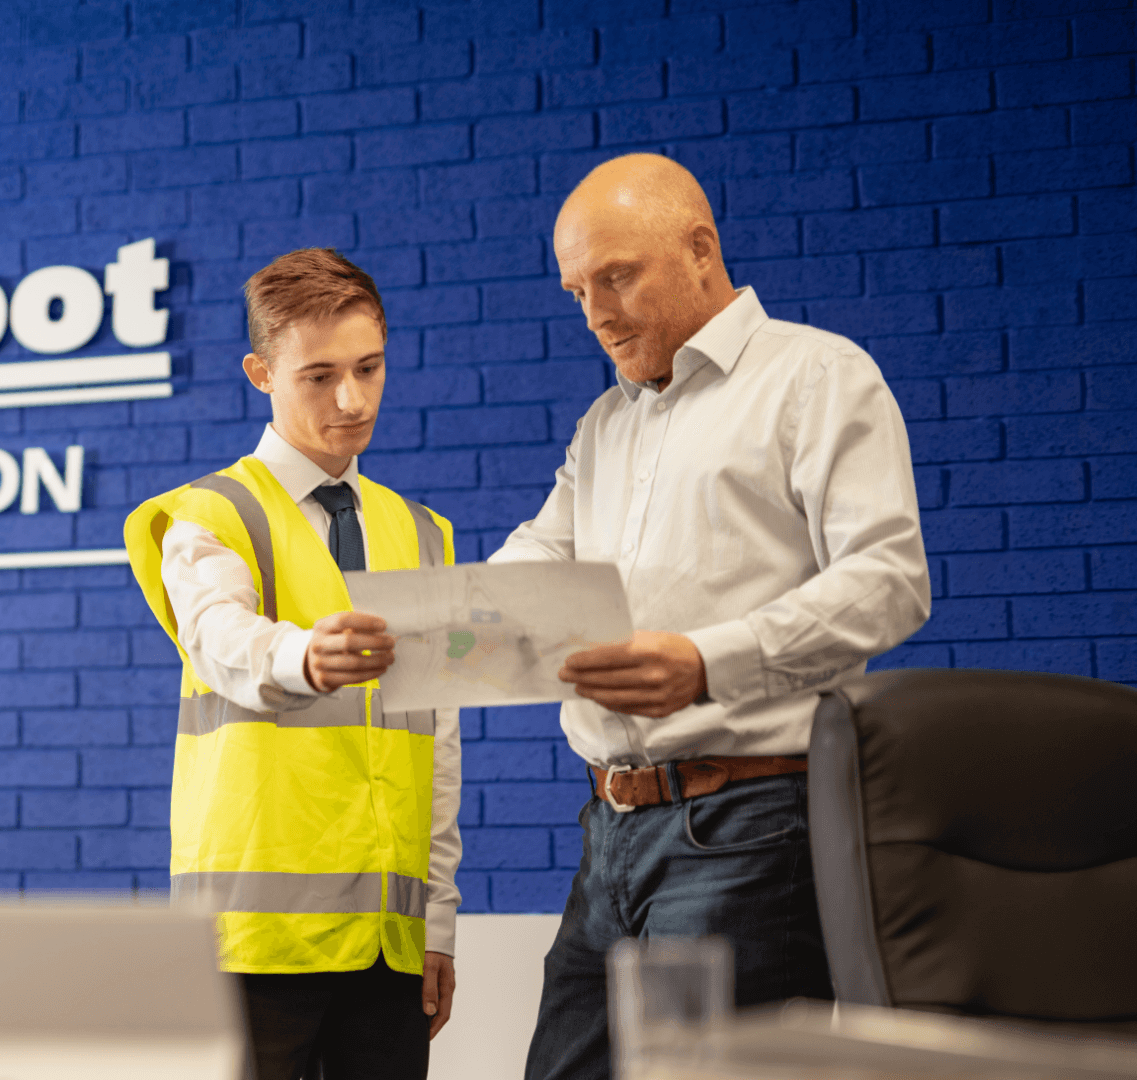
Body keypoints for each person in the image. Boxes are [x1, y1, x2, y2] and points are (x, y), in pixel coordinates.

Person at [491, 154, 931, 1080]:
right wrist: (429, 624)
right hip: (608, 831)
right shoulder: (607, 424)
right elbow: (539, 555)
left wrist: (708, 661)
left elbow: (889, 578)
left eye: (616, 277)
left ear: (701, 249)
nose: (596, 313)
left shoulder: (817, 377)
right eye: (577, 291)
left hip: (749, 827)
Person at [123, 249, 463, 1080]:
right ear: (259, 373)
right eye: (318, 376)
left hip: (388, 946)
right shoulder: (212, 515)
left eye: (369, 368)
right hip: (254, 945)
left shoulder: (422, 532)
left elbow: (438, 742)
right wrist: (306, 655)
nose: (352, 400)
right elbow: (220, 637)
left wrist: (438, 926)